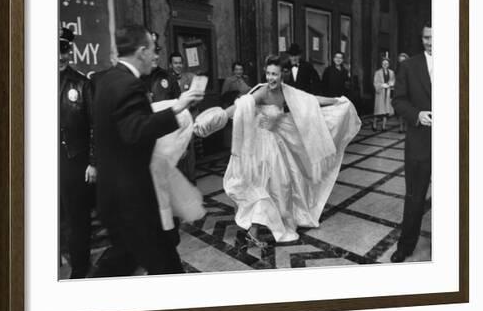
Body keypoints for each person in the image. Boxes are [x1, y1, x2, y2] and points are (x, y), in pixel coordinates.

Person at [194, 55, 361, 245]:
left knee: (281, 186)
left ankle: (262, 227)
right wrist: (215, 120)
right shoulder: (262, 92)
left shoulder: (288, 93)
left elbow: (311, 100)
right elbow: (239, 106)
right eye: (268, 73)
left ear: (283, 74)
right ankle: (255, 230)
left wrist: (336, 101)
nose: (271, 78)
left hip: (275, 144)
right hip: (258, 146)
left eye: (275, 74)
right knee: (262, 185)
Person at [94, 25, 204, 275]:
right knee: (164, 267)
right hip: (132, 201)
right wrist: (178, 108)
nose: (156, 56)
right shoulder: (129, 85)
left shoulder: (106, 79)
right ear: (142, 51)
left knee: (126, 261)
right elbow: (136, 131)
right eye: (153, 50)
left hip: (115, 197)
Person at [391, 24, 432, 263]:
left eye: (436, 37)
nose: (431, 42)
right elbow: (398, 101)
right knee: (415, 197)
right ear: (422, 38)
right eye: (427, 37)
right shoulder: (408, 66)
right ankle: (405, 246)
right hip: (419, 141)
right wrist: (417, 115)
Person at [59, 27, 97, 278]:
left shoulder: (81, 83)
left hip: (76, 159)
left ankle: (80, 267)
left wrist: (93, 161)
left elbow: (95, 126)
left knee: (77, 218)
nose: (60, 56)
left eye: (64, 50)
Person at [168, 51, 198, 184]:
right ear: (170, 65)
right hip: (173, 120)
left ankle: (191, 179)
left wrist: (188, 105)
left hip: (188, 119)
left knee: (189, 149)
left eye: (180, 63)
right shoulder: (167, 79)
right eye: (175, 63)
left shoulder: (189, 77)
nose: (178, 65)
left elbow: (197, 97)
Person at [142, 33, 180, 102]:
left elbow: (179, 103)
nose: (157, 56)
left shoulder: (168, 76)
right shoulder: (136, 77)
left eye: (157, 52)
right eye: (152, 52)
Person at [372, 58, 395, 131]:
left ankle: (383, 126)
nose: (385, 65)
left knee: (386, 111)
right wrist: (381, 85)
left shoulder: (391, 72)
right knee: (378, 111)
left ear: (389, 64)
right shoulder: (377, 72)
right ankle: (374, 125)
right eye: (383, 63)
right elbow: (375, 82)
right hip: (380, 92)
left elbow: (393, 80)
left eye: (386, 63)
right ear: (381, 64)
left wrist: (390, 84)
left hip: (387, 92)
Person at [396, 53, 410, 132]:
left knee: (407, 111)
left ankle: (407, 127)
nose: (402, 62)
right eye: (400, 61)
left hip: (409, 93)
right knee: (400, 111)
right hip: (400, 92)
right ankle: (401, 127)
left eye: (403, 60)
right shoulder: (398, 69)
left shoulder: (411, 69)